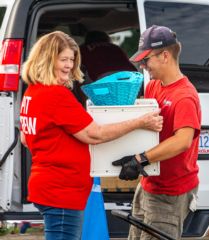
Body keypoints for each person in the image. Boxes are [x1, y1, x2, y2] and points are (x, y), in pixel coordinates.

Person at [19, 30, 163, 240]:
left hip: (48, 187)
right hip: (62, 191)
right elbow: (94, 135)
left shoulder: (33, 92)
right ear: (47, 59)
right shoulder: (56, 95)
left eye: (72, 59)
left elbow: (26, 138)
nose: (69, 65)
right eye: (63, 59)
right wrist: (141, 122)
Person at [112, 25, 201, 240]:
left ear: (165, 55)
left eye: (146, 59)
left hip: (170, 192)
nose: (143, 65)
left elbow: (182, 141)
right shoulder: (153, 86)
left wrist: (140, 159)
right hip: (149, 185)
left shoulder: (185, 96)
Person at [72, 30, 138, 106]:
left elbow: (78, 72)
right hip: (131, 77)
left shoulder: (83, 49)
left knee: (78, 76)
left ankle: (84, 108)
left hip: (101, 77)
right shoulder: (115, 47)